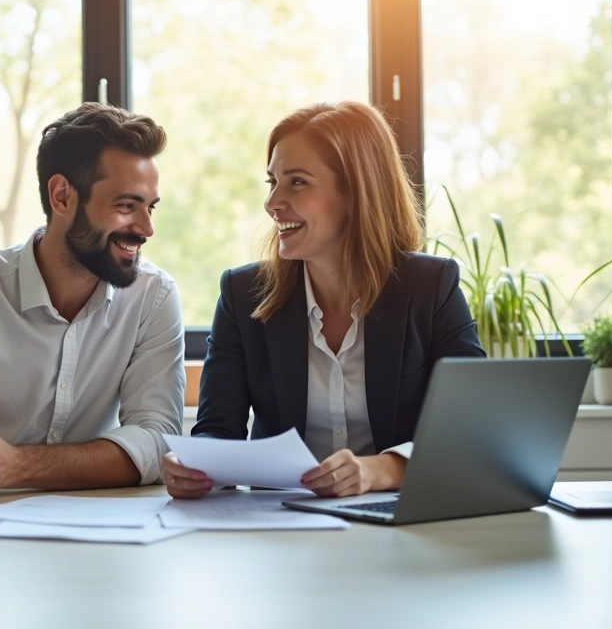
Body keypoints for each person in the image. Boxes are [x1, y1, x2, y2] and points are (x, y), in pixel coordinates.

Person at [162, 101, 485, 500]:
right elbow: (217, 431)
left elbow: (471, 434)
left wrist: (380, 469)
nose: (273, 202)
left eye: (297, 182)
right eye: (272, 182)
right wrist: (195, 467)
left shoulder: (431, 287)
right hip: (281, 526)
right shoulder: (242, 295)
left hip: (398, 526)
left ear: (356, 192)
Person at [0, 103, 185, 503]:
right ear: (61, 196)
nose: (146, 228)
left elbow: (156, 438)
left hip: (102, 532)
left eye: (150, 206)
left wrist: (18, 465)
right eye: (126, 206)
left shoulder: (153, 297)